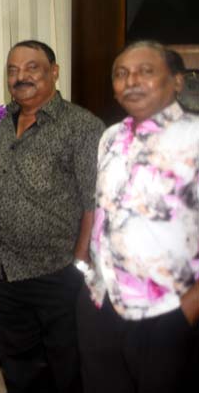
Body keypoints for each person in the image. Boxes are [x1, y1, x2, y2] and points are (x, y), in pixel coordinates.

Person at [0, 40, 105, 393]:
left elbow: (94, 200)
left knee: (65, 364)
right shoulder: (3, 123)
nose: (21, 77)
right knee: (15, 361)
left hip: (56, 271)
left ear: (54, 71)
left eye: (32, 67)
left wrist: (78, 261)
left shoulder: (80, 126)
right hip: (6, 271)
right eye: (12, 70)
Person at [77, 40, 199, 393]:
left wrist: (188, 307)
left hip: (167, 309)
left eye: (146, 71)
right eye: (121, 73)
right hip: (103, 301)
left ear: (176, 81)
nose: (131, 81)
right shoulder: (111, 137)